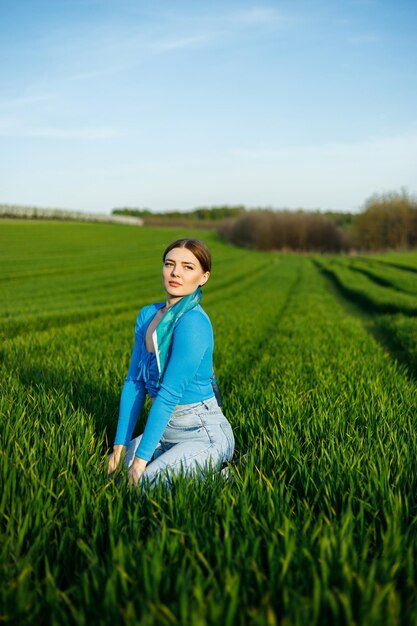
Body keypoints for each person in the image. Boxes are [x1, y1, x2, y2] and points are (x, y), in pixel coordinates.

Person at [107, 238, 235, 487]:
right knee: (106, 474)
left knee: (141, 488)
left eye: (188, 267)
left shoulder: (193, 323)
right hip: (164, 432)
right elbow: (134, 382)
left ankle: (228, 475)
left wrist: (139, 463)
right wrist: (119, 447)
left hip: (202, 433)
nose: (176, 272)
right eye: (170, 264)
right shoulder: (147, 315)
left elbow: (168, 395)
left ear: (204, 277)